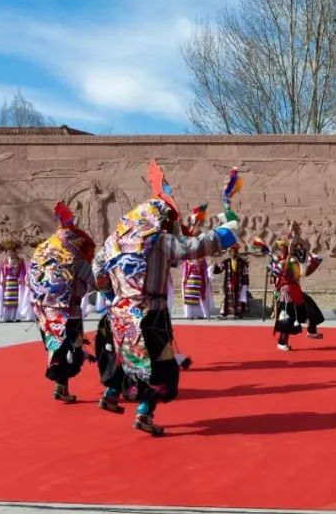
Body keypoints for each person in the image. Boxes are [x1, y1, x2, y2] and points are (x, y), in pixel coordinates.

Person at [97, 161, 238, 435]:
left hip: (120, 314)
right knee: (160, 366)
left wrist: (112, 296)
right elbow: (194, 247)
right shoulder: (159, 241)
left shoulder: (114, 242)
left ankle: (111, 394)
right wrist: (229, 229)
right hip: (151, 314)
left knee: (126, 356)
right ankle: (144, 413)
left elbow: (97, 271)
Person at [28, 203, 97, 403]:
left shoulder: (41, 249)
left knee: (57, 348)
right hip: (69, 309)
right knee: (72, 349)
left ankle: (61, 387)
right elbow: (92, 278)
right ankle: (61, 386)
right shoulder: (74, 251)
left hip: (44, 310)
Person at [268, 225, 325, 351]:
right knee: (287, 317)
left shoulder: (294, 259)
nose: (282, 250)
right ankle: (282, 342)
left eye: (284, 248)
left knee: (310, 307)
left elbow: (305, 250)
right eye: (281, 249)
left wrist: (296, 237)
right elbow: (280, 272)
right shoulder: (279, 262)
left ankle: (312, 330)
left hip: (296, 290)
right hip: (286, 293)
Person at [0, 236, 32, 322]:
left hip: (16, 282)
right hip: (8, 282)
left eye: (12, 251)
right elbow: (2, 272)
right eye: (8, 251)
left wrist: (21, 279)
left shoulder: (20, 260)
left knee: (17, 299)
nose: (10, 253)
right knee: (8, 298)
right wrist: (1, 281)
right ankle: (8, 317)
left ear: (15, 252)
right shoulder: (4, 261)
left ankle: (17, 316)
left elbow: (23, 271)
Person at [214, 246, 249, 318]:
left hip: (239, 283)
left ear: (236, 252)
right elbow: (220, 269)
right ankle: (225, 312)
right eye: (230, 252)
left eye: (233, 252)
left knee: (238, 297)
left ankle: (238, 313)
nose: (232, 253)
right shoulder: (226, 261)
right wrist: (215, 266)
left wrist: (246, 283)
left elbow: (245, 272)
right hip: (229, 283)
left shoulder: (241, 262)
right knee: (227, 297)